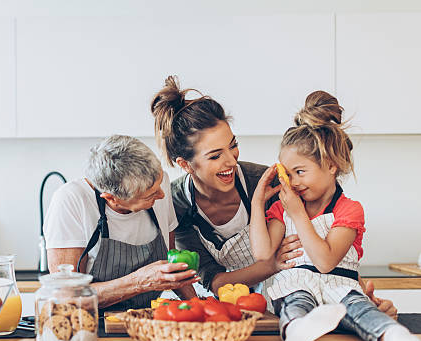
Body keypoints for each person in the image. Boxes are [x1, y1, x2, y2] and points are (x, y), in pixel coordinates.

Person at [150, 75, 397, 317]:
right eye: (215, 156)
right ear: (185, 165)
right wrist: (270, 265)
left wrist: (362, 296)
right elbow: (213, 281)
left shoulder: (265, 182)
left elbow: (325, 235)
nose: (230, 161)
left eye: (232, 145)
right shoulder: (177, 204)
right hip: (228, 310)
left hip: (284, 301)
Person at [249, 90, 420, 341]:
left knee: (361, 309)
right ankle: (297, 331)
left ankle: (396, 339)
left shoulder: (349, 209)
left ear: (330, 165)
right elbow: (262, 252)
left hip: (340, 285)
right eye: (287, 174)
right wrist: (259, 201)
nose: (292, 182)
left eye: (300, 172)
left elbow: (326, 261)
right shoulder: (283, 207)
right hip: (299, 283)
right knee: (295, 302)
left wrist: (298, 214)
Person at [44, 134, 198, 311]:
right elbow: (67, 296)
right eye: (150, 195)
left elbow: (171, 267)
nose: (161, 195)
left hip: (145, 319)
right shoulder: (72, 200)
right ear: (112, 199)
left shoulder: (158, 186)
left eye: (160, 183)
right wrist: (139, 282)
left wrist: (198, 306)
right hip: (92, 324)